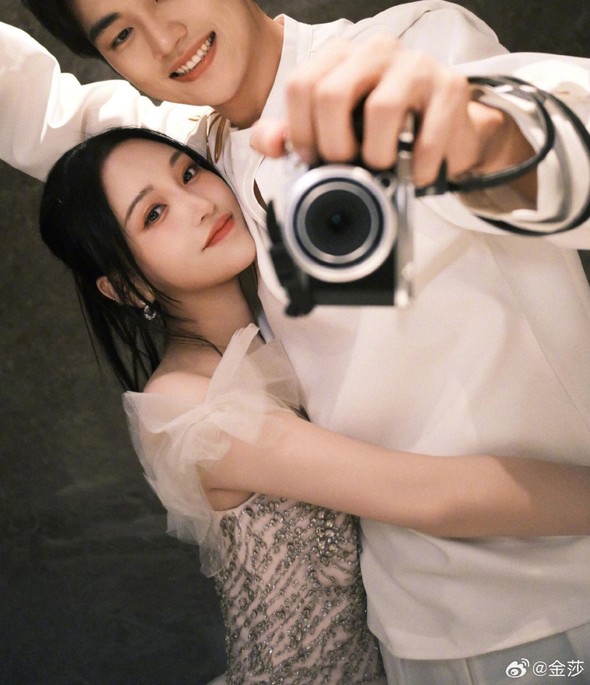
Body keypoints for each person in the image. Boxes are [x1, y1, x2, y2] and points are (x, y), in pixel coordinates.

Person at [0, 0, 589, 680]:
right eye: (120, 36)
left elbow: (552, 127)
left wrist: (481, 139)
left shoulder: (408, 49)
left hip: (559, 591)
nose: (164, 40)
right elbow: (35, 108)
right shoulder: (198, 156)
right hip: (411, 626)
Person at [38, 124, 590, 685]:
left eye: (189, 173)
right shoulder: (188, 406)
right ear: (126, 287)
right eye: (154, 214)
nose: (198, 205)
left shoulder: (276, 336)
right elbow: (427, 496)